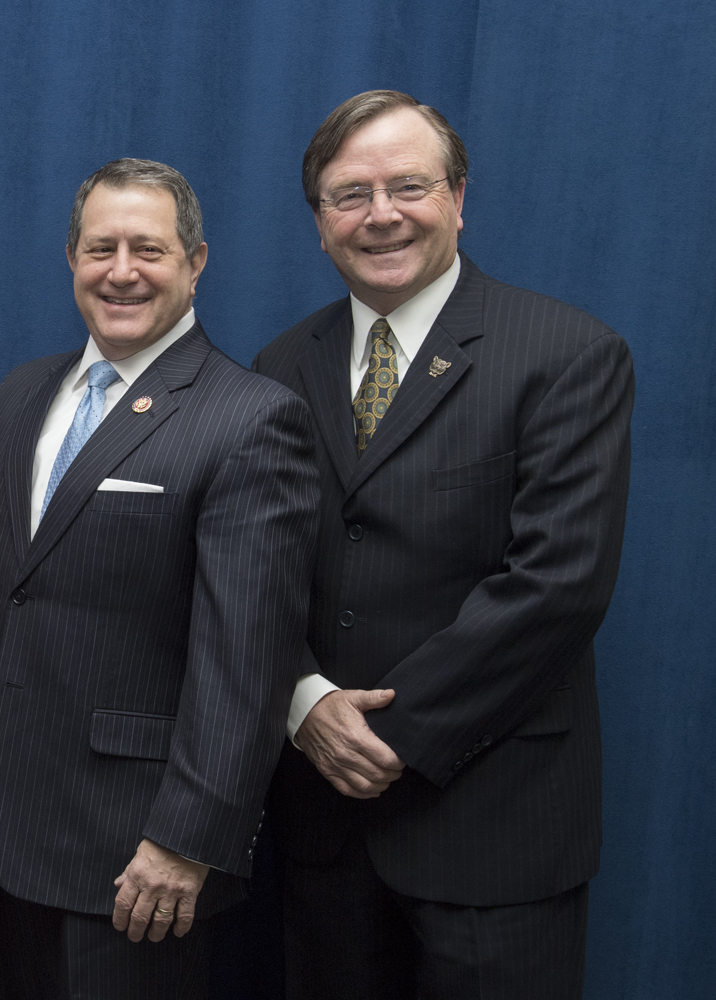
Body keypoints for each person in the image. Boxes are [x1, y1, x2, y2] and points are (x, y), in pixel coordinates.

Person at [253, 90, 634, 1000]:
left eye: (409, 186)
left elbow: (559, 584)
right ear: (319, 223)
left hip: (495, 830)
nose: (381, 214)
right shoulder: (276, 370)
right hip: (320, 832)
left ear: (460, 198)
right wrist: (303, 703)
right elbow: (251, 574)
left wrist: (384, 734)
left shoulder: (566, 353)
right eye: (351, 194)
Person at [0, 158, 319, 998]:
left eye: (149, 248)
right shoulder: (20, 396)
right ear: (71, 256)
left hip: (136, 858)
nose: (122, 271)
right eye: (100, 247)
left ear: (196, 262)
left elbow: (246, 660)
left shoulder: (250, 418)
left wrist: (190, 838)